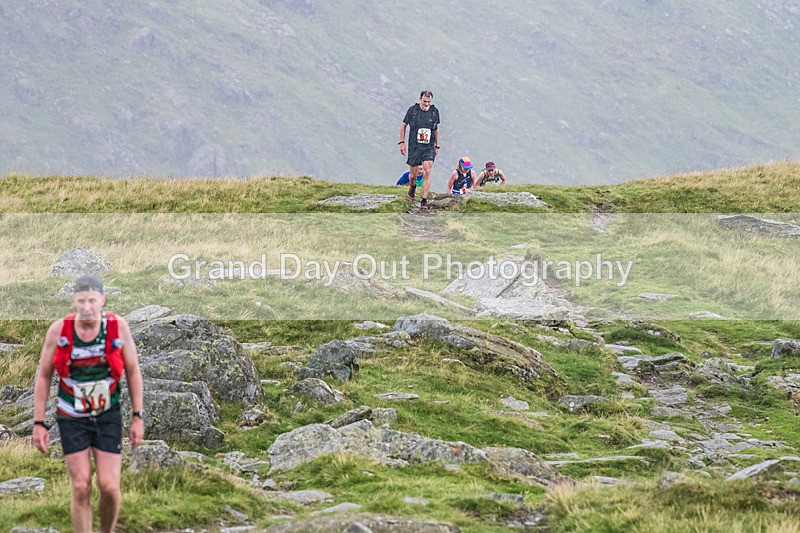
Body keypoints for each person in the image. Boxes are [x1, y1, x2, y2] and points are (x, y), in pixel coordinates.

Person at [32, 275, 144, 533]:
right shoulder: (59, 330)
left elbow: (133, 370)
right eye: (81, 301)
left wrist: (138, 416)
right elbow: (44, 375)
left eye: (92, 300)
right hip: (71, 416)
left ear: (102, 300)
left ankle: (106, 530)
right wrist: (39, 422)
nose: (87, 307)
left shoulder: (118, 327)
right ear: (74, 301)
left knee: (109, 486)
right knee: (81, 486)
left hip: (107, 414)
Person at [399, 90, 440, 209]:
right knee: (413, 175)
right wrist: (402, 143)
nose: (427, 104)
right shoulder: (413, 110)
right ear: (420, 99)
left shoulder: (434, 112)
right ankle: (412, 187)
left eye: (429, 102)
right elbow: (403, 125)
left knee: (428, 170)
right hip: (414, 145)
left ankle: (424, 200)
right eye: (424, 101)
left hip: (428, 146)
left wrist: (437, 146)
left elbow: (436, 129)